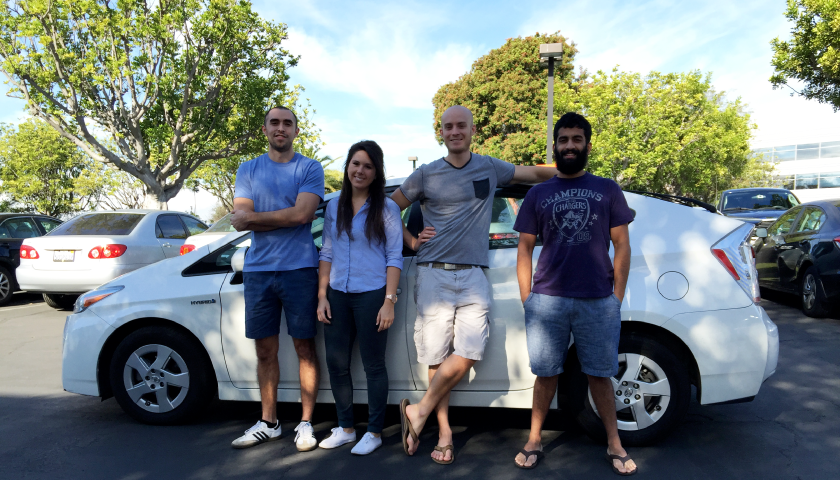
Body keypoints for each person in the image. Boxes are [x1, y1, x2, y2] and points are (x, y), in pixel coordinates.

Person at [391, 105, 557, 464]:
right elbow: (389, 208)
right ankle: (445, 433)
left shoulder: (489, 166)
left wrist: (570, 170)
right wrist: (413, 241)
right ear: (442, 132)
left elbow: (531, 173)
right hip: (433, 270)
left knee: (469, 351)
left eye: (460, 126)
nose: (454, 132)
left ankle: (417, 412)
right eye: (448, 126)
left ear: (472, 129)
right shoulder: (426, 174)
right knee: (436, 355)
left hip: (473, 274)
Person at [512, 112, 636, 475]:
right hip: (547, 301)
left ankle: (615, 442)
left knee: (600, 374)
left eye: (576, 140)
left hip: (598, 300)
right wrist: (527, 299)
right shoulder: (538, 193)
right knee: (546, 373)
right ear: (555, 145)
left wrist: (616, 297)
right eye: (563, 140)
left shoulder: (608, 189)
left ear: (587, 145)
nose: (569, 146)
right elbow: (524, 248)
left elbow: (622, 246)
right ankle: (534, 439)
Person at [229, 106, 324, 451]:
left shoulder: (309, 167)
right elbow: (241, 218)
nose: (280, 128)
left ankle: (305, 423)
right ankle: (269, 422)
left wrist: (257, 218)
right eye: (274, 122)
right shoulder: (248, 169)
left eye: (287, 123)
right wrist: (279, 217)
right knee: (265, 351)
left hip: (300, 270)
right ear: (265, 129)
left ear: (296, 131)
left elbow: (303, 215)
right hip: (258, 272)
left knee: (304, 348)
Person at [315, 140, 403, 455]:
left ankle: (375, 432)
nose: (360, 170)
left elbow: (395, 257)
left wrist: (389, 301)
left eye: (367, 165)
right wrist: (322, 295)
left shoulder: (388, 208)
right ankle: (346, 428)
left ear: (376, 171)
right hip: (337, 293)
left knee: (373, 365)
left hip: (372, 294)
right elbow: (326, 251)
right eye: (355, 163)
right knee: (337, 364)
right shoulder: (334, 206)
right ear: (347, 166)